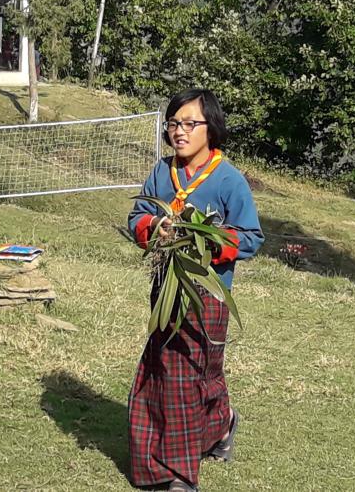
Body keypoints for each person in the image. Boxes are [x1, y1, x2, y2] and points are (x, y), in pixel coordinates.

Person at [126, 88, 265, 492]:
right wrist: (157, 229)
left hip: (208, 295)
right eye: (174, 124)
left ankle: (180, 475)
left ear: (211, 128)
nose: (179, 132)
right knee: (163, 372)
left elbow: (251, 237)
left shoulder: (228, 179)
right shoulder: (161, 173)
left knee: (192, 375)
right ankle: (209, 432)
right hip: (166, 292)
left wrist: (205, 239)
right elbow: (138, 216)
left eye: (190, 123)